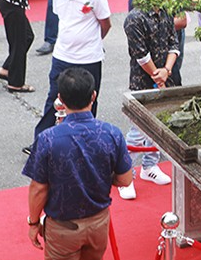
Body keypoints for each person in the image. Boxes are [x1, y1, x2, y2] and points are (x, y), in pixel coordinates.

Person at [22, 68, 133, 260]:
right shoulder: (112, 133)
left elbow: (38, 188)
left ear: (60, 99)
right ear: (93, 95)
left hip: (63, 228)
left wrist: (33, 223)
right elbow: (125, 180)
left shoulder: (48, 139)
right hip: (98, 222)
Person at [26, 0, 112, 155]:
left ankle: (87, 141)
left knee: (89, 100)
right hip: (62, 55)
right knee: (53, 98)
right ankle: (41, 142)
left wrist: (92, 41)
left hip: (89, 58)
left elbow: (105, 24)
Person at [119, 0, 178, 199]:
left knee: (160, 126)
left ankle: (150, 166)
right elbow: (140, 54)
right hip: (143, 79)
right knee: (138, 128)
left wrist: (167, 71)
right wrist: (157, 75)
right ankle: (124, 176)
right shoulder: (135, 18)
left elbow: (174, 44)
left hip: (165, 75)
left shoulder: (166, 11)